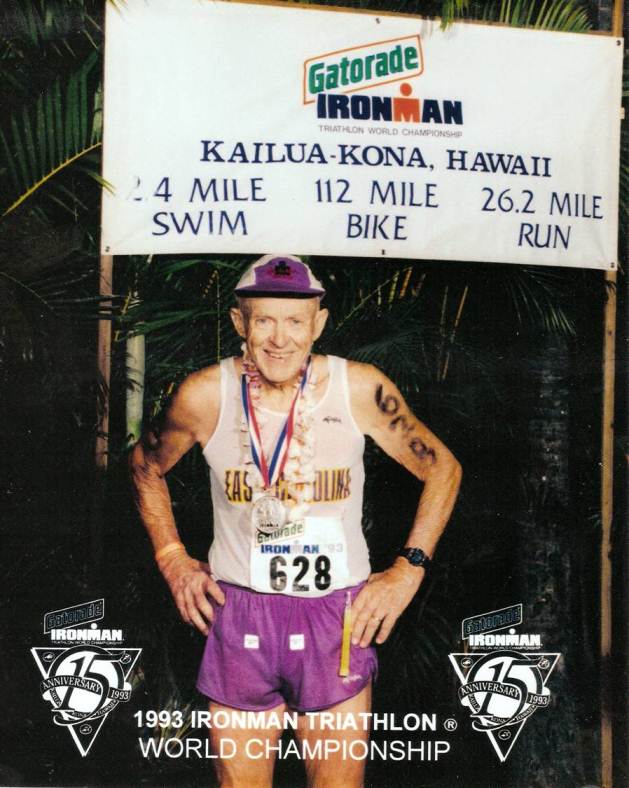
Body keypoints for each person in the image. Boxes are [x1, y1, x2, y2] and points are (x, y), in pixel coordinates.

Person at [130, 254, 461, 788]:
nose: (279, 339)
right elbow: (145, 466)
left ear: (318, 325)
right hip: (239, 614)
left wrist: (409, 569)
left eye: (294, 321)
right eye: (263, 320)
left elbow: (441, 467)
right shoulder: (204, 395)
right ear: (240, 323)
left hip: (337, 618)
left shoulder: (360, 389)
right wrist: (172, 559)